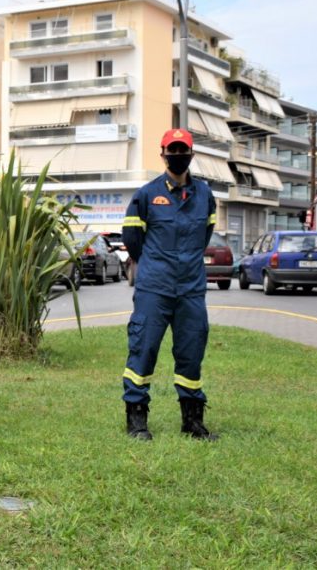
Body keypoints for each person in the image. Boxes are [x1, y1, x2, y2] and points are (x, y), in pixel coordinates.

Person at [121, 128, 218, 441]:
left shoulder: (205, 195)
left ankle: (193, 421)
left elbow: (205, 235)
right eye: (172, 150)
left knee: (191, 352)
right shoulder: (146, 195)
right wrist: (152, 266)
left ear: (191, 154)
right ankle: (137, 421)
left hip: (190, 289)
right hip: (154, 289)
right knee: (143, 350)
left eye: (183, 150)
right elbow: (132, 240)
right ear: (162, 153)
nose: (178, 155)